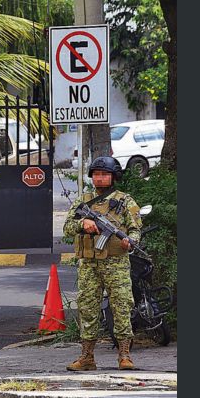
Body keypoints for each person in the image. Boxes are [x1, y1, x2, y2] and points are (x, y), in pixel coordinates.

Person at [63, 156, 142, 371]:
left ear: (113, 176)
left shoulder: (125, 201)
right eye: (96, 174)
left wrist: (131, 241)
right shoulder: (83, 201)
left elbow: (135, 229)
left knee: (122, 306)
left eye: (104, 174)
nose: (99, 178)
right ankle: (87, 357)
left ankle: (124, 355)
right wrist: (83, 223)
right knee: (88, 307)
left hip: (116, 263)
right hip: (89, 264)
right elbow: (67, 228)